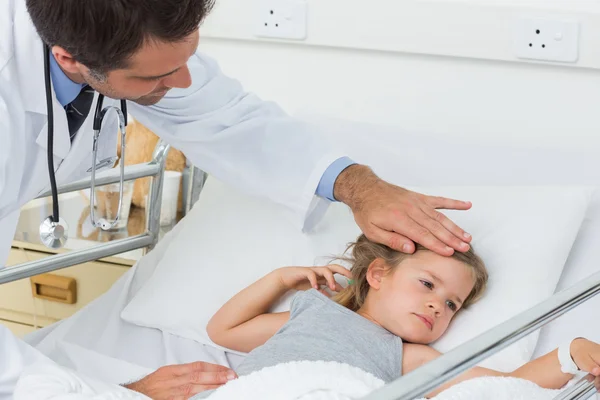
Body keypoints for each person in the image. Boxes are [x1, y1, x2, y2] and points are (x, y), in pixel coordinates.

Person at [0, 0, 474, 397]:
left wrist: (357, 185)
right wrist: (118, 391)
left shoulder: (128, 35)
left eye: (188, 59)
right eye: (157, 78)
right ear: (68, 59)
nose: (183, 82)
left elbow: (225, 118)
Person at [206, 234, 600, 398]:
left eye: (451, 305)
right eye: (428, 285)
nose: (437, 305)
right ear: (378, 274)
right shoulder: (313, 313)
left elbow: (502, 389)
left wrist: (571, 353)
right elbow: (225, 330)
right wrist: (279, 279)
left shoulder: (407, 355)